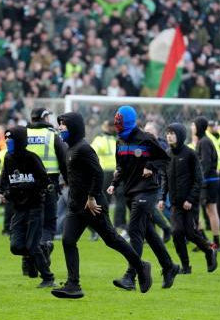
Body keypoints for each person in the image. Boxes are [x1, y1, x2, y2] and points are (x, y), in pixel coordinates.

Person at [51, 112, 152, 299]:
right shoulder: (70, 149)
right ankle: (74, 285)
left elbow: (97, 174)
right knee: (68, 241)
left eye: (63, 125)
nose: (60, 128)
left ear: (73, 127)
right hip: (77, 206)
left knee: (111, 239)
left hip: (93, 205)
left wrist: (91, 197)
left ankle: (140, 266)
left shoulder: (84, 148)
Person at [108, 105, 179, 291]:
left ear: (128, 121)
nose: (117, 124)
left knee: (134, 230)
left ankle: (131, 275)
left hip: (147, 191)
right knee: (148, 232)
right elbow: (121, 168)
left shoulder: (147, 139)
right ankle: (169, 267)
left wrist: (150, 165)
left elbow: (165, 159)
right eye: (116, 121)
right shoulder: (120, 142)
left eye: (120, 121)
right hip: (131, 191)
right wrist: (114, 183)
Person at [0, 126, 55, 288]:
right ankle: (43, 249)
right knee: (16, 247)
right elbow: (4, 184)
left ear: (20, 141)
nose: (8, 141)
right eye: (6, 138)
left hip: (35, 207)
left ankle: (48, 278)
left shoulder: (32, 158)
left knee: (32, 245)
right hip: (19, 209)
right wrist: (5, 193)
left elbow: (44, 182)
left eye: (11, 139)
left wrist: (24, 186)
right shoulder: (8, 159)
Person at [158, 123, 218, 275]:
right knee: (177, 232)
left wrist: (190, 200)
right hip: (176, 203)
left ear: (180, 135)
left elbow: (198, 180)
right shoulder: (167, 154)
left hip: (190, 203)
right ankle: (186, 267)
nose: (169, 136)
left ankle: (209, 251)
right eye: (168, 133)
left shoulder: (190, 154)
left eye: (172, 133)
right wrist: (162, 197)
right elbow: (165, 178)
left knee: (190, 233)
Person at [26, 108, 68, 263]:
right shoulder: (52, 136)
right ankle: (44, 244)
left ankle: (30, 256)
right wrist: (68, 182)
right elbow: (64, 161)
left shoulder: (23, 135)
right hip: (49, 183)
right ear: (44, 118)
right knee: (49, 221)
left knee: (31, 219)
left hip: (26, 184)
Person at [194, 116, 220, 251]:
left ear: (198, 127)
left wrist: (198, 179)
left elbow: (205, 163)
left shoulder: (204, 142)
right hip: (208, 180)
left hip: (208, 181)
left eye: (194, 125)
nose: (192, 127)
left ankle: (216, 243)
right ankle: (204, 240)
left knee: (211, 210)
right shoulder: (202, 141)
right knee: (203, 210)